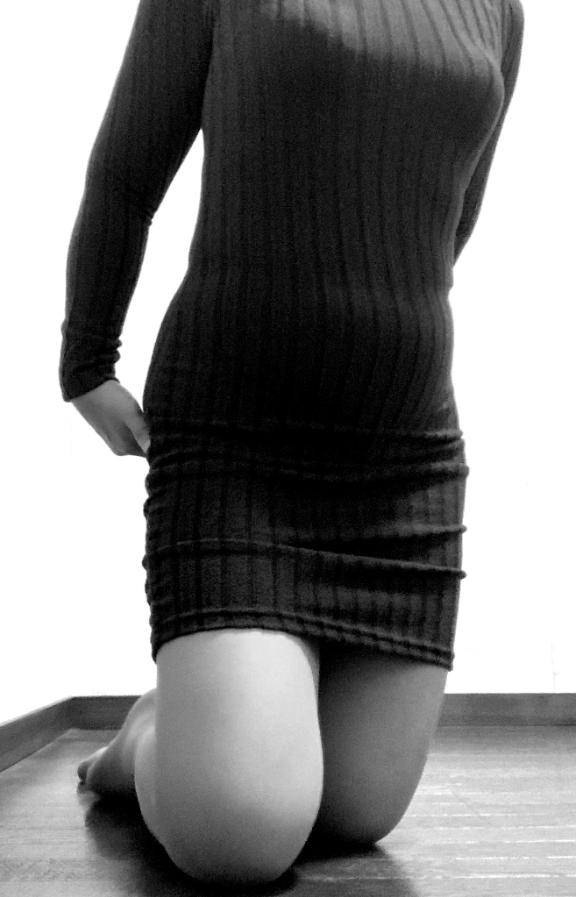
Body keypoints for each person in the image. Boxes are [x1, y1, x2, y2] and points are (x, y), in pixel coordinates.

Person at [60, 0, 524, 887]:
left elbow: (451, 220)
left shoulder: (499, 9)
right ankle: (146, 741)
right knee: (240, 838)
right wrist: (87, 359)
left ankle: (200, 717)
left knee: (354, 813)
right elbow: (124, 175)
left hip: (405, 456)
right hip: (239, 440)